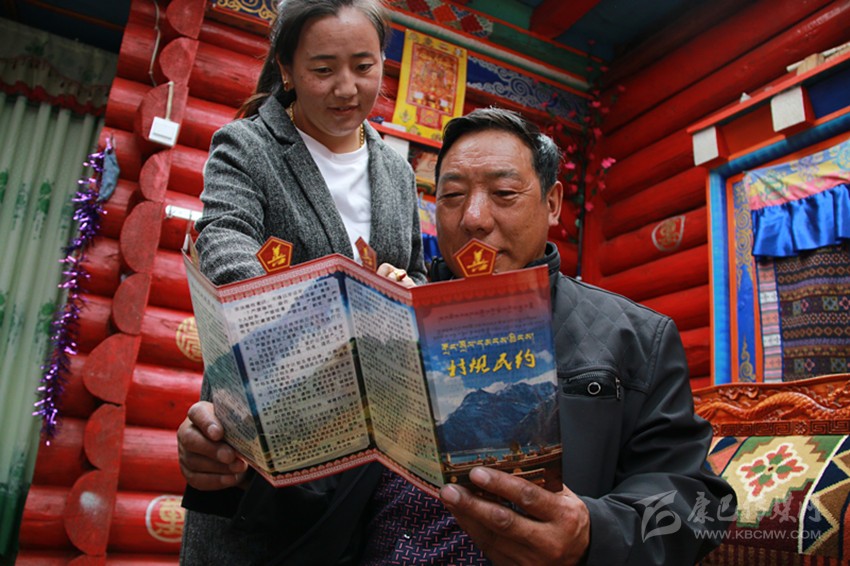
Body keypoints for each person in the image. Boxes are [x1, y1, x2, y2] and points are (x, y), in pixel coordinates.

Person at [358, 108, 736, 565]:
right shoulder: (393, 317)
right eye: (453, 196)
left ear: (552, 203)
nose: (474, 218)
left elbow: (698, 502)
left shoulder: (635, 337)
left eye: (504, 193)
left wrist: (592, 532)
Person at [177, 0, 425, 563]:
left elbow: (415, 270)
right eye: (323, 69)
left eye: (364, 66)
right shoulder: (248, 146)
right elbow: (224, 239)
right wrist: (314, 318)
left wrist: (402, 287)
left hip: (362, 455)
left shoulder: (396, 171)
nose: (347, 88)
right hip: (261, 439)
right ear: (286, 70)